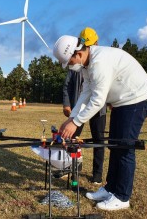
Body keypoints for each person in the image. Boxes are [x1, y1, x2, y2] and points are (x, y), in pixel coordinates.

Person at [52, 35, 147, 211]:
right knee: (115, 146)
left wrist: (76, 123)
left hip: (136, 100)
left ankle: (122, 197)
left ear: (78, 53)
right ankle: (110, 189)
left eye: (69, 62)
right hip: (122, 102)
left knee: (124, 148)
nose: (69, 66)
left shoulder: (99, 62)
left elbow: (98, 101)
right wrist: (71, 118)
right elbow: (86, 93)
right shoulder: (87, 65)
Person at [62, 27, 106, 185]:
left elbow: (101, 91)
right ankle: (72, 169)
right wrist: (67, 105)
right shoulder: (75, 64)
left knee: (98, 140)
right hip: (78, 108)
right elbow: (67, 86)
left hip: (98, 109)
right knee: (72, 139)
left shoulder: (99, 63)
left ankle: (97, 174)